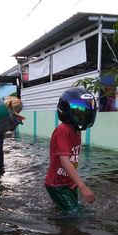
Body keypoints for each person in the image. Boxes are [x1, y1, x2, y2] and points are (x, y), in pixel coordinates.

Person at [44, 87, 97, 215]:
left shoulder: (76, 130)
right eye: (78, 110)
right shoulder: (63, 130)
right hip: (57, 185)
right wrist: (83, 187)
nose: (82, 113)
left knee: (68, 212)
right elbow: (65, 162)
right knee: (77, 215)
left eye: (85, 110)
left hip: (69, 182)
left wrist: (76, 184)